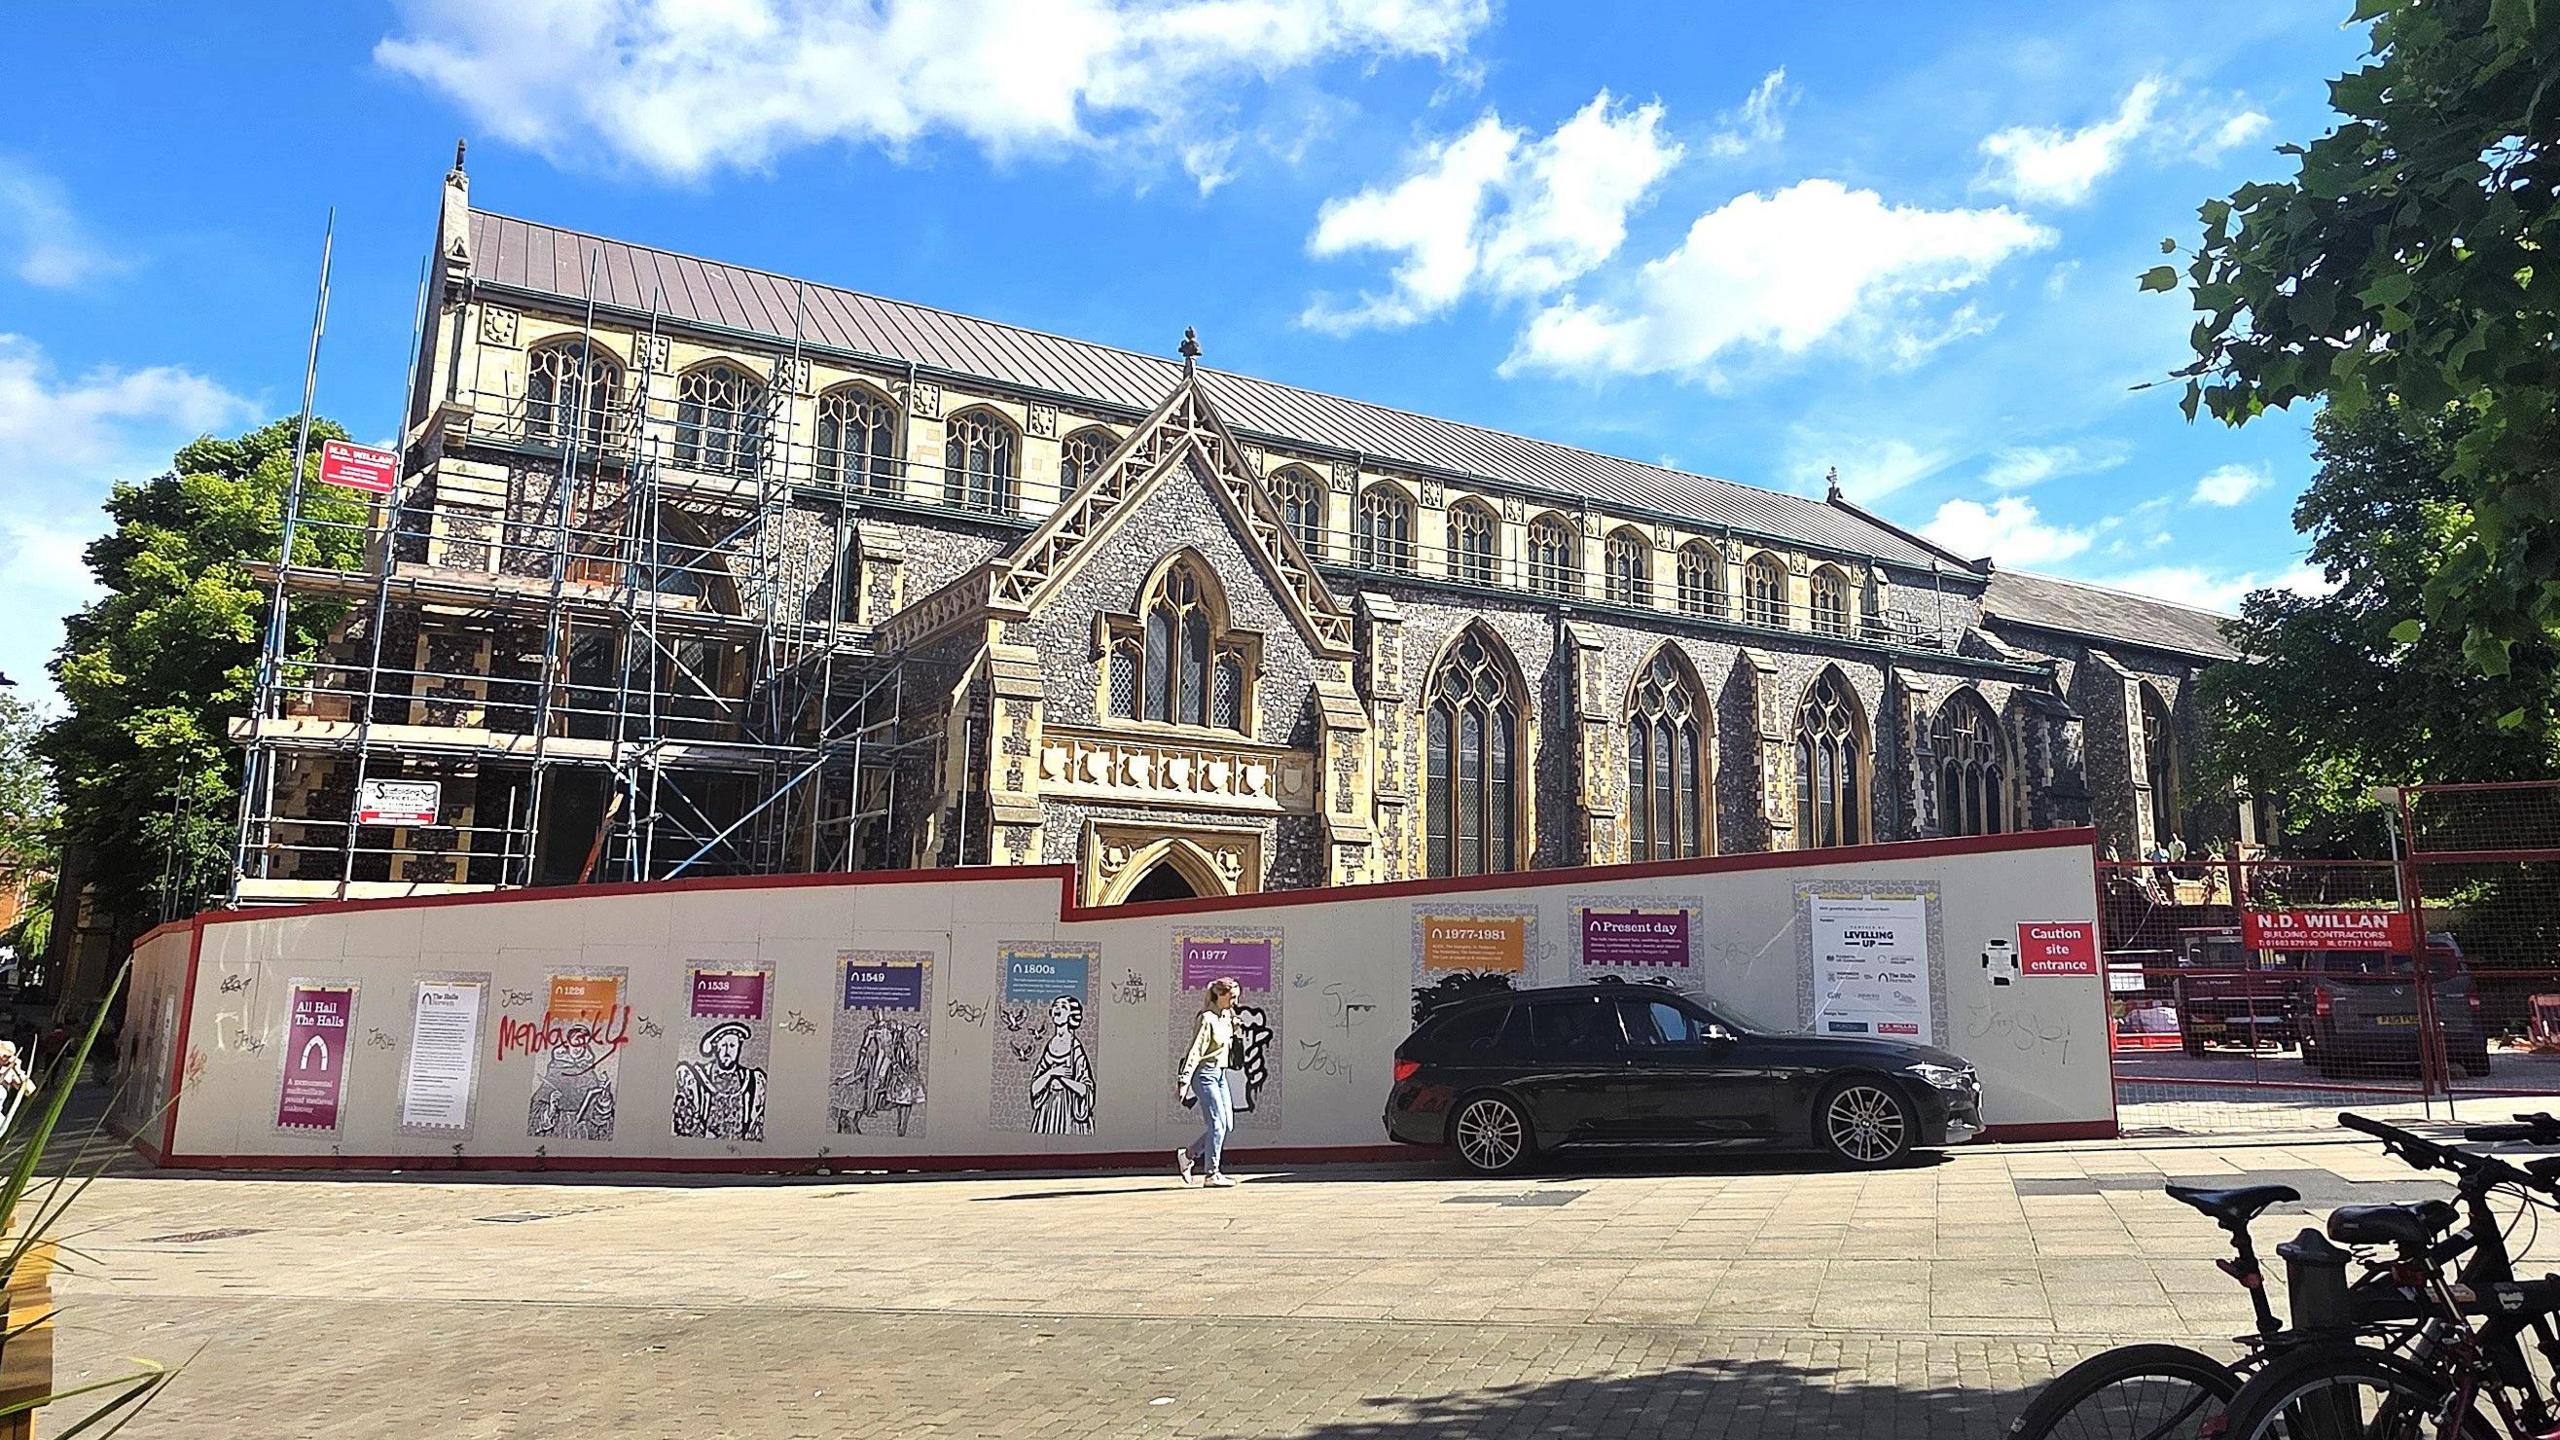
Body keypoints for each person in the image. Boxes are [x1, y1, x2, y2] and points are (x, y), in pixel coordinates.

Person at [1175, 977, 1241, 1188]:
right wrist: (1184, 1081)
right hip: (1204, 1075)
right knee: (1216, 1124)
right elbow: (1195, 1050)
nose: (1235, 1002)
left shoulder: (1227, 1016)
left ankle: (1188, 1155)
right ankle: (1212, 1173)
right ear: (1219, 995)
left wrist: (1234, 1028)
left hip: (1220, 1074)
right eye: (1232, 997)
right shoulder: (1206, 1019)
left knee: (1226, 1124)